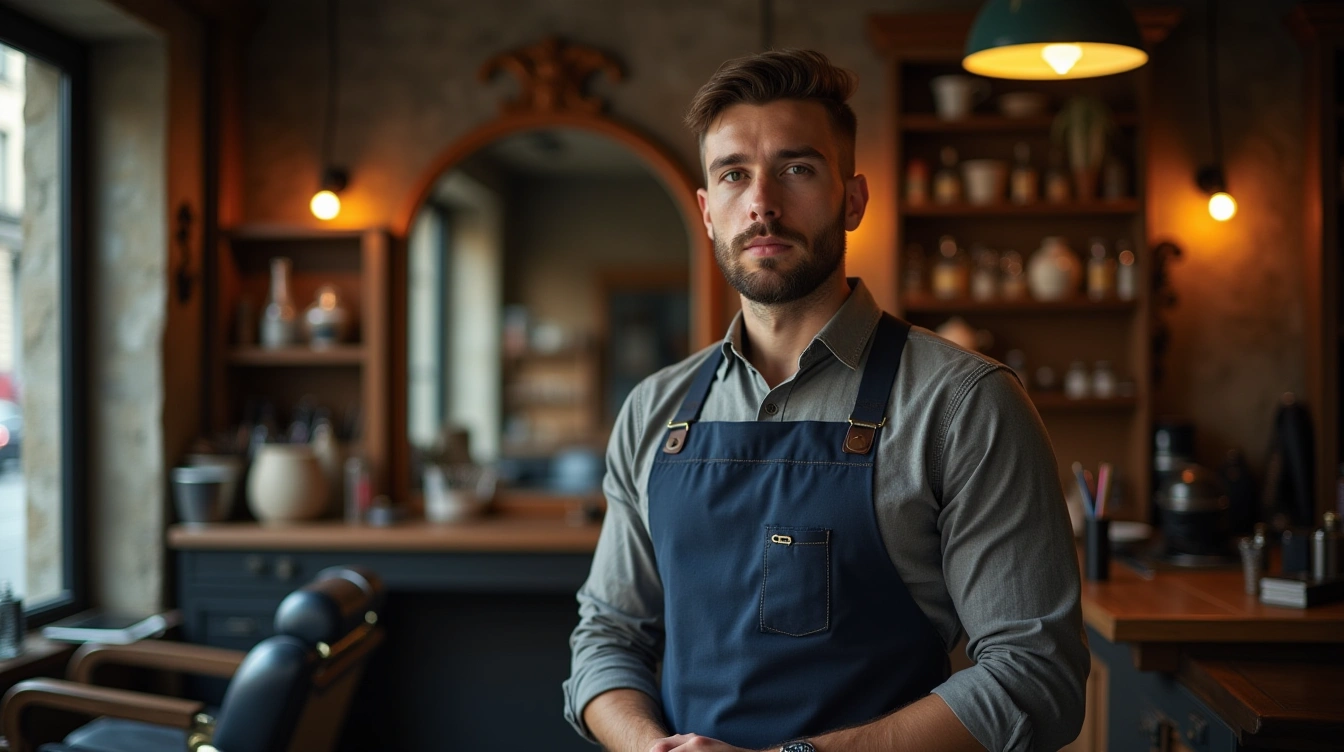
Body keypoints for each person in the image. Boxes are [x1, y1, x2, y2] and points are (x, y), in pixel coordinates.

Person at [563, 49, 1087, 752]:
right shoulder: (653, 412)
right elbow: (607, 638)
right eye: (734, 174)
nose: (762, 203)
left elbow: (1036, 675)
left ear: (853, 199)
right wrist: (646, 746)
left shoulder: (963, 403)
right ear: (708, 212)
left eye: (797, 169)